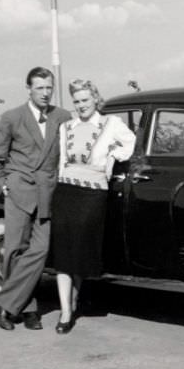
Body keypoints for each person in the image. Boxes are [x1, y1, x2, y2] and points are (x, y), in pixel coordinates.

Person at [0, 67, 72, 331]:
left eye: (49, 88)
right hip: (19, 192)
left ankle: (3, 302)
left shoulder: (63, 117)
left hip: (48, 193)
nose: (45, 93)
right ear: (29, 89)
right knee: (14, 251)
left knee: (41, 251)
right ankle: (29, 309)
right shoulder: (12, 117)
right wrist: (3, 185)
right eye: (40, 88)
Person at [51, 79, 136, 334]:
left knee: (80, 250)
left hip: (93, 192)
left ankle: (74, 297)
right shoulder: (67, 127)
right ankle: (66, 311)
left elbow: (131, 143)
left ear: (95, 99)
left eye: (85, 100)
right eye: (76, 101)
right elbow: (62, 162)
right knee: (64, 255)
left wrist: (112, 156)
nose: (81, 106)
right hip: (66, 190)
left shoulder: (111, 124)